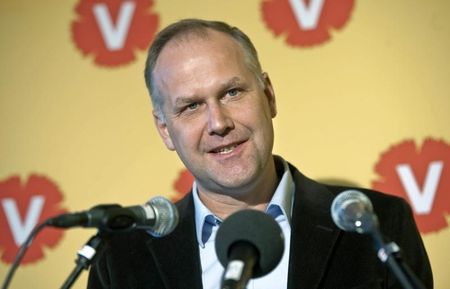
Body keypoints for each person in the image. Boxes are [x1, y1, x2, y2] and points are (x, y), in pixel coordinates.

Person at [87, 19, 433, 289]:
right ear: (165, 129)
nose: (218, 123)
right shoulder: (120, 259)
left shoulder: (379, 225)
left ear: (268, 95)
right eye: (191, 106)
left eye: (233, 92)